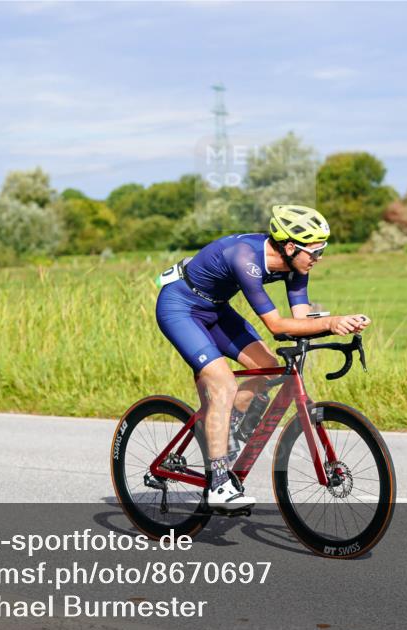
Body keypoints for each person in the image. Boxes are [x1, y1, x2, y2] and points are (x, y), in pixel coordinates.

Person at [155, 205, 370, 510]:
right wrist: (330, 323)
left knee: (269, 369)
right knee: (223, 385)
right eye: (315, 252)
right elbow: (276, 326)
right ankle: (217, 483)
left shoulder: (297, 266)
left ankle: (221, 434)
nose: (319, 259)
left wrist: (338, 326)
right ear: (291, 247)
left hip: (216, 310)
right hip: (180, 307)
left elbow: (301, 319)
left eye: (322, 251)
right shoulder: (245, 257)